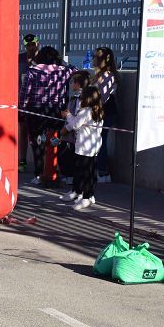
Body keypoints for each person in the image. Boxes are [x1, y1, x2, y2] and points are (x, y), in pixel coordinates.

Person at [20, 46, 75, 185]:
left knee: (37, 142)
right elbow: (76, 69)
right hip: (57, 111)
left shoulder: (32, 71)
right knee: (59, 141)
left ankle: (39, 174)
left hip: (36, 111)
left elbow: (25, 93)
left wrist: (23, 109)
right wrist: (61, 62)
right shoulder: (64, 71)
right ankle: (66, 173)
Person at [59, 85, 104, 210]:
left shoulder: (85, 111)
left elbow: (75, 124)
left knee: (84, 172)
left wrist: (67, 115)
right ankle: (86, 195)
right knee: (90, 172)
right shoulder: (98, 111)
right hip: (93, 147)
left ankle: (85, 198)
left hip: (84, 148)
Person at [94, 46, 119, 183]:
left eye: (95, 56)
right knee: (99, 141)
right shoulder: (100, 75)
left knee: (100, 142)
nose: (93, 59)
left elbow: (102, 98)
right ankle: (102, 170)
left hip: (106, 112)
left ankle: (103, 172)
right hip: (104, 112)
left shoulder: (106, 76)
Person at [18, 34, 39, 172]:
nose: (31, 47)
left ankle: (39, 162)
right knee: (23, 130)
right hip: (22, 100)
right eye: (28, 45)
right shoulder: (19, 58)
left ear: (38, 43)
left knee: (36, 133)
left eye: (33, 44)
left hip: (39, 101)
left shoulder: (44, 57)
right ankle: (23, 160)